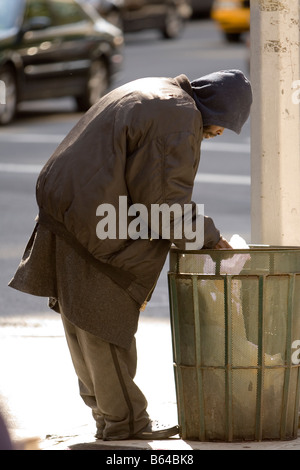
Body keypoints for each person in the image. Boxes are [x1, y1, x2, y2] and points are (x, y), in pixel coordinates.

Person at [8, 69, 252, 441]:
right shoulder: (180, 116)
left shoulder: (157, 92)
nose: (218, 134)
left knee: (82, 323)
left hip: (67, 209)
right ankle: (125, 427)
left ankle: (110, 420)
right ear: (216, 109)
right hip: (96, 222)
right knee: (105, 322)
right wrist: (211, 238)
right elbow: (164, 204)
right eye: (223, 126)